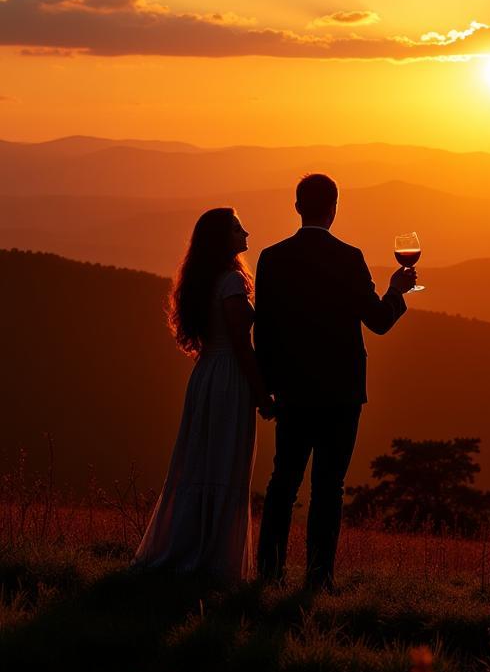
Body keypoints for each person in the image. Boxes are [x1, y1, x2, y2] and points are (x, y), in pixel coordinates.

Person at [255, 173, 416, 590]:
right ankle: (318, 578)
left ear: (297, 207)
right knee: (329, 486)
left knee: (283, 482)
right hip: (341, 393)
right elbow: (378, 322)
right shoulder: (349, 257)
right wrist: (398, 290)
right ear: (334, 208)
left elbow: (265, 331)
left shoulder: (272, 258)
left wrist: (266, 388)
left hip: (291, 390)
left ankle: (268, 574)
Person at [134, 208, 274, 582]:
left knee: (202, 460)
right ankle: (213, 557)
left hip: (207, 375)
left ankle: (191, 544)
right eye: (237, 227)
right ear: (223, 238)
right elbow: (242, 345)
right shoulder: (231, 282)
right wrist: (262, 393)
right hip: (229, 377)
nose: (246, 231)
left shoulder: (204, 280)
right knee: (226, 461)